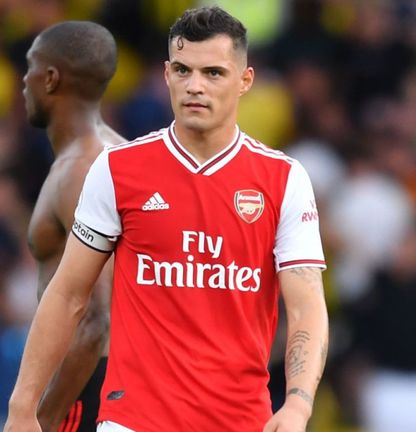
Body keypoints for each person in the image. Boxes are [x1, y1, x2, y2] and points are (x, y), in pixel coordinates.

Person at [5, 6, 329, 432]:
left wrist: (298, 404)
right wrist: (22, 406)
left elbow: (306, 306)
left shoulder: (283, 179)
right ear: (166, 74)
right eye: (183, 70)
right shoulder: (118, 169)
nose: (195, 85)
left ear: (245, 80)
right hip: (132, 421)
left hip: (239, 421)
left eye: (213, 73)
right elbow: (67, 294)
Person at [22, 21, 125, 432]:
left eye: (30, 67)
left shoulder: (83, 168)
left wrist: (41, 417)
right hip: (100, 381)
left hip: (85, 385)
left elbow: (95, 320)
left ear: (50, 78)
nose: (23, 82)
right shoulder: (109, 153)